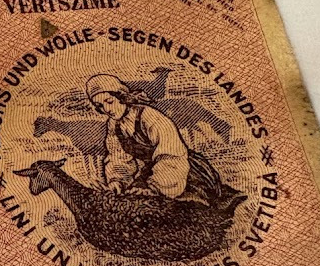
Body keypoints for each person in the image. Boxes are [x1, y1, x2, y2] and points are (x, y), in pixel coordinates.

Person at [85, 73, 223, 205]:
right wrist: (117, 181)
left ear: (121, 96)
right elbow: (118, 156)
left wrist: (155, 187)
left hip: (180, 173)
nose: (107, 109)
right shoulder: (114, 124)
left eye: (109, 101)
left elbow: (170, 155)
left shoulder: (150, 117)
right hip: (151, 173)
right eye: (100, 106)